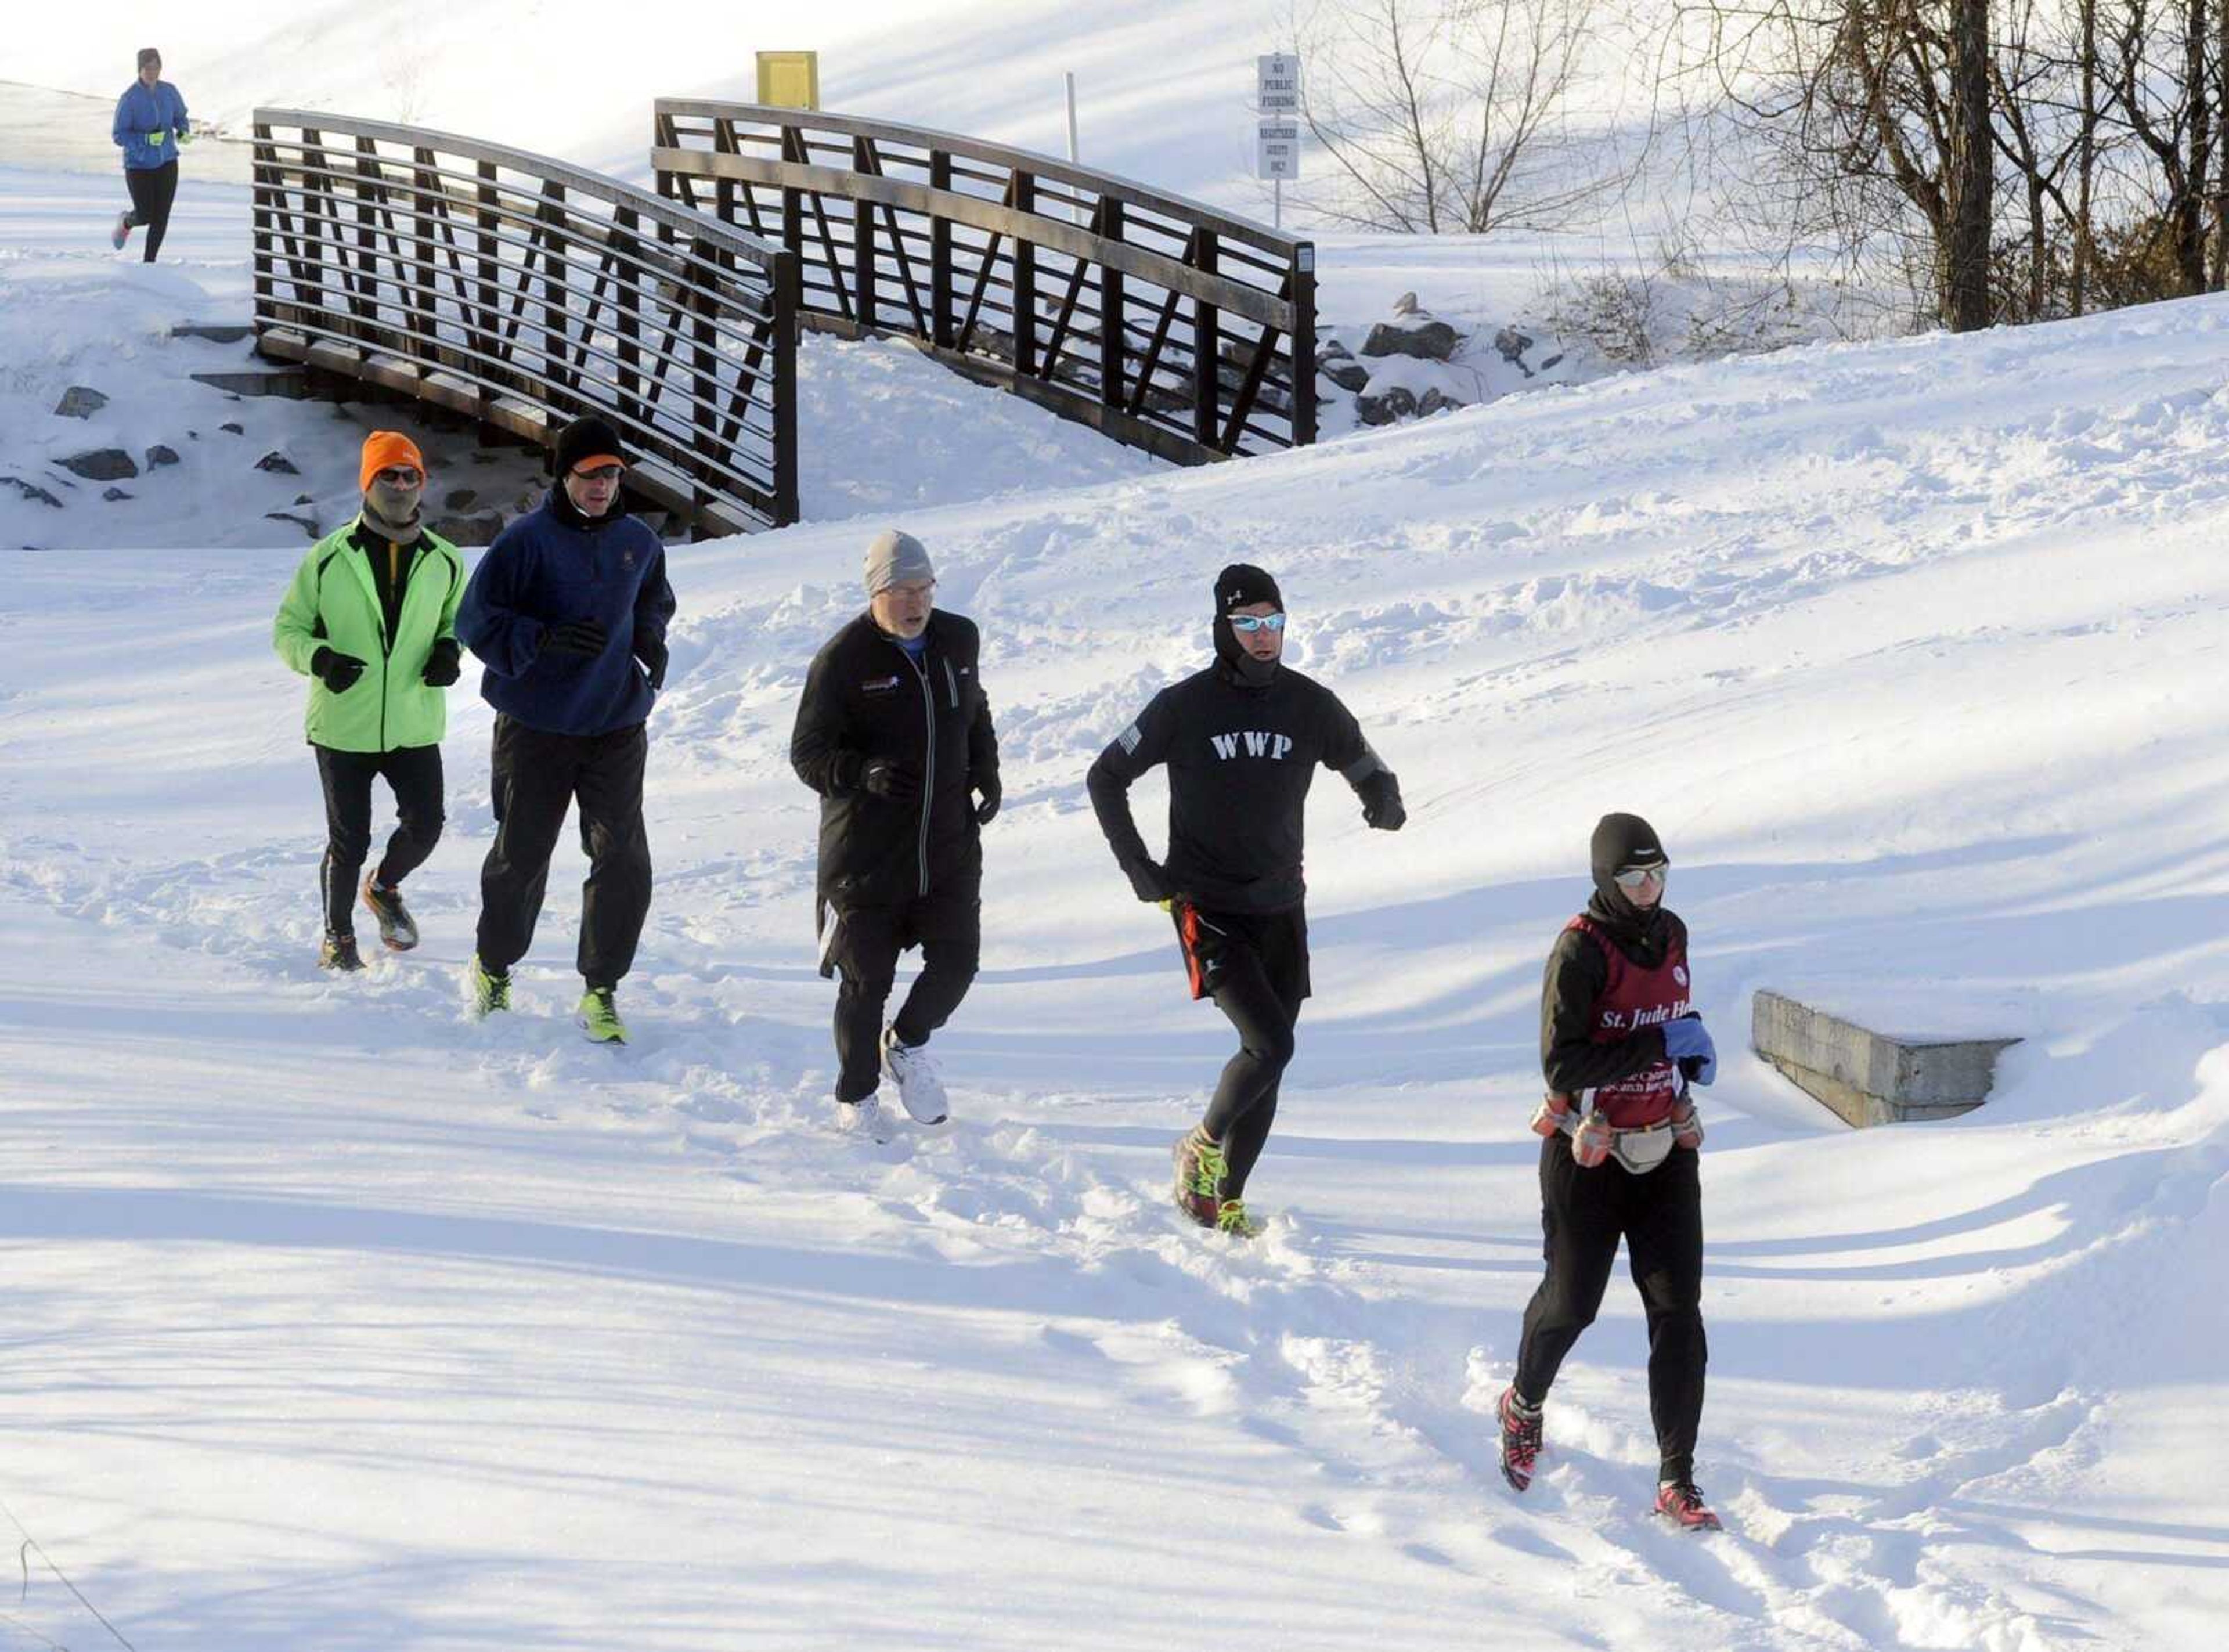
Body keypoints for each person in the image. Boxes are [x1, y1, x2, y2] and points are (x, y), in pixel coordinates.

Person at [1087, 564, 1404, 1238]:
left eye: (1274, 622)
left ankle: (1224, 1198)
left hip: (1282, 904)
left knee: (1274, 1058)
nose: (1265, 636)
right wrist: (1139, 866)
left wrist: (1381, 793)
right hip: (1207, 904)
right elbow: (1105, 775)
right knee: (1269, 1043)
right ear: (1223, 629)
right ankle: (1200, 1146)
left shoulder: (1309, 703)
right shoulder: (1183, 706)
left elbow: (1363, 758)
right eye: (1249, 623)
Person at [1495, 811, 1722, 1532]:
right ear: (1606, 879)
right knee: (1572, 1301)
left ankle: (1677, 1476)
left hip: (1664, 1148)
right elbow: (1561, 1063)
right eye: (1634, 876)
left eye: (1659, 873)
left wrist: (1687, 1052)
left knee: (1678, 1310)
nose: (1650, 888)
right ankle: (1523, 1405)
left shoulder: (1673, 931)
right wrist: (1657, 1040)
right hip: (1587, 1154)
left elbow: (1667, 1016)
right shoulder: (1579, 950)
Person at [455, 414, 675, 1043]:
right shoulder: (526, 542)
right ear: (564, 475)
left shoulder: (638, 541)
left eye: (613, 473)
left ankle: (601, 987)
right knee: (521, 856)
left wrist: (649, 647)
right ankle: (494, 965)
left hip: (616, 725)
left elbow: (653, 601)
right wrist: (539, 639)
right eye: (590, 474)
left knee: (623, 860)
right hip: (537, 726)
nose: (603, 485)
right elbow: (476, 619)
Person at [789, 529, 999, 1134]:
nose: (916, 603)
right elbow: (807, 754)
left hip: (948, 844)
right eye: (901, 590)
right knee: (866, 983)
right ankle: (857, 1097)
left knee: (958, 963)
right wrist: (861, 772)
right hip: (867, 856)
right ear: (875, 592)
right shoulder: (843, 660)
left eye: (924, 588)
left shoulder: (959, 638)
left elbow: (974, 708)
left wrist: (987, 768)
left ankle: (906, 1044)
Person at [272, 432, 464, 971]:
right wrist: (320, 659)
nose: (401, 486)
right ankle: (338, 938)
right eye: (389, 476)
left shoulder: (445, 559)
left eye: (410, 476)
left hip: (414, 719)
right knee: (348, 841)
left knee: (426, 825)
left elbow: (457, 620)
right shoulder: (330, 557)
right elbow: (288, 629)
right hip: (343, 724)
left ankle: (384, 887)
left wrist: (451, 648)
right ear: (368, 482)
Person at [111, 49, 190, 263]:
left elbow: (181, 117)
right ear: (140, 70)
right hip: (139, 166)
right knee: (145, 215)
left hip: (167, 161)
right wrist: (145, 140)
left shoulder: (169, 91)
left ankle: (149, 264)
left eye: (156, 67)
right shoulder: (129, 98)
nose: (152, 72)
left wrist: (183, 132)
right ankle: (127, 222)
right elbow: (118, 135)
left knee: (161, 217)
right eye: (148, 68)